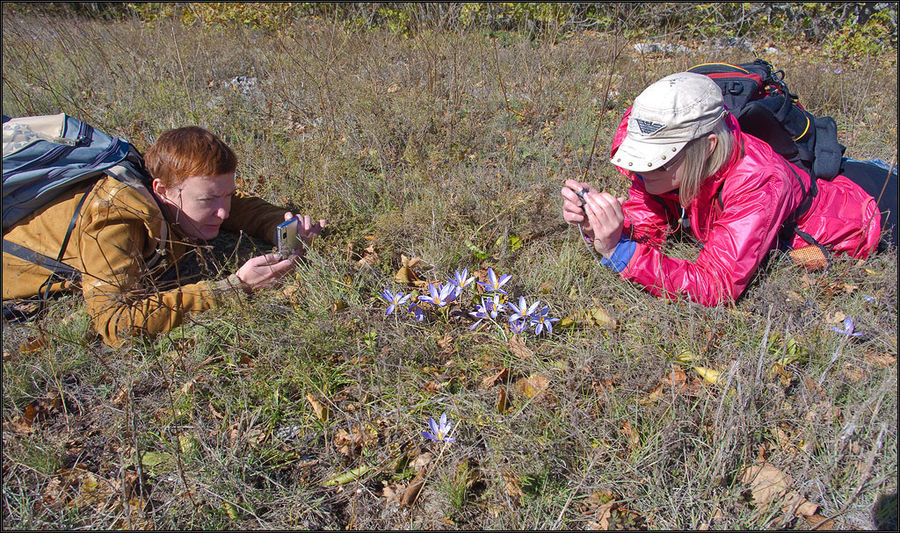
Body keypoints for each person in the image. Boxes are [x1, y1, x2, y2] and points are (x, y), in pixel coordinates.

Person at [561, 72, 895, 306]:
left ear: (706, 147)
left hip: (867, 211)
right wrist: (602, 224)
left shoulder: (759, 180)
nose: (639, 170)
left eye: (657, 162)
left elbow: (717, 284)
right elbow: (650, 221)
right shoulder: (655, 137)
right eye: (638, 159)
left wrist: (619, 252)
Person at [2, 126, 325, 346]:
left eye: (224, 195)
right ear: (161, 190)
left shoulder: (177, 188)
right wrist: (235, 288)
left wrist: (281, 224)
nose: (223, 211)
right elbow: (116, 324)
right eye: (208, 201)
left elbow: (238, 207)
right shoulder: (114, 222)